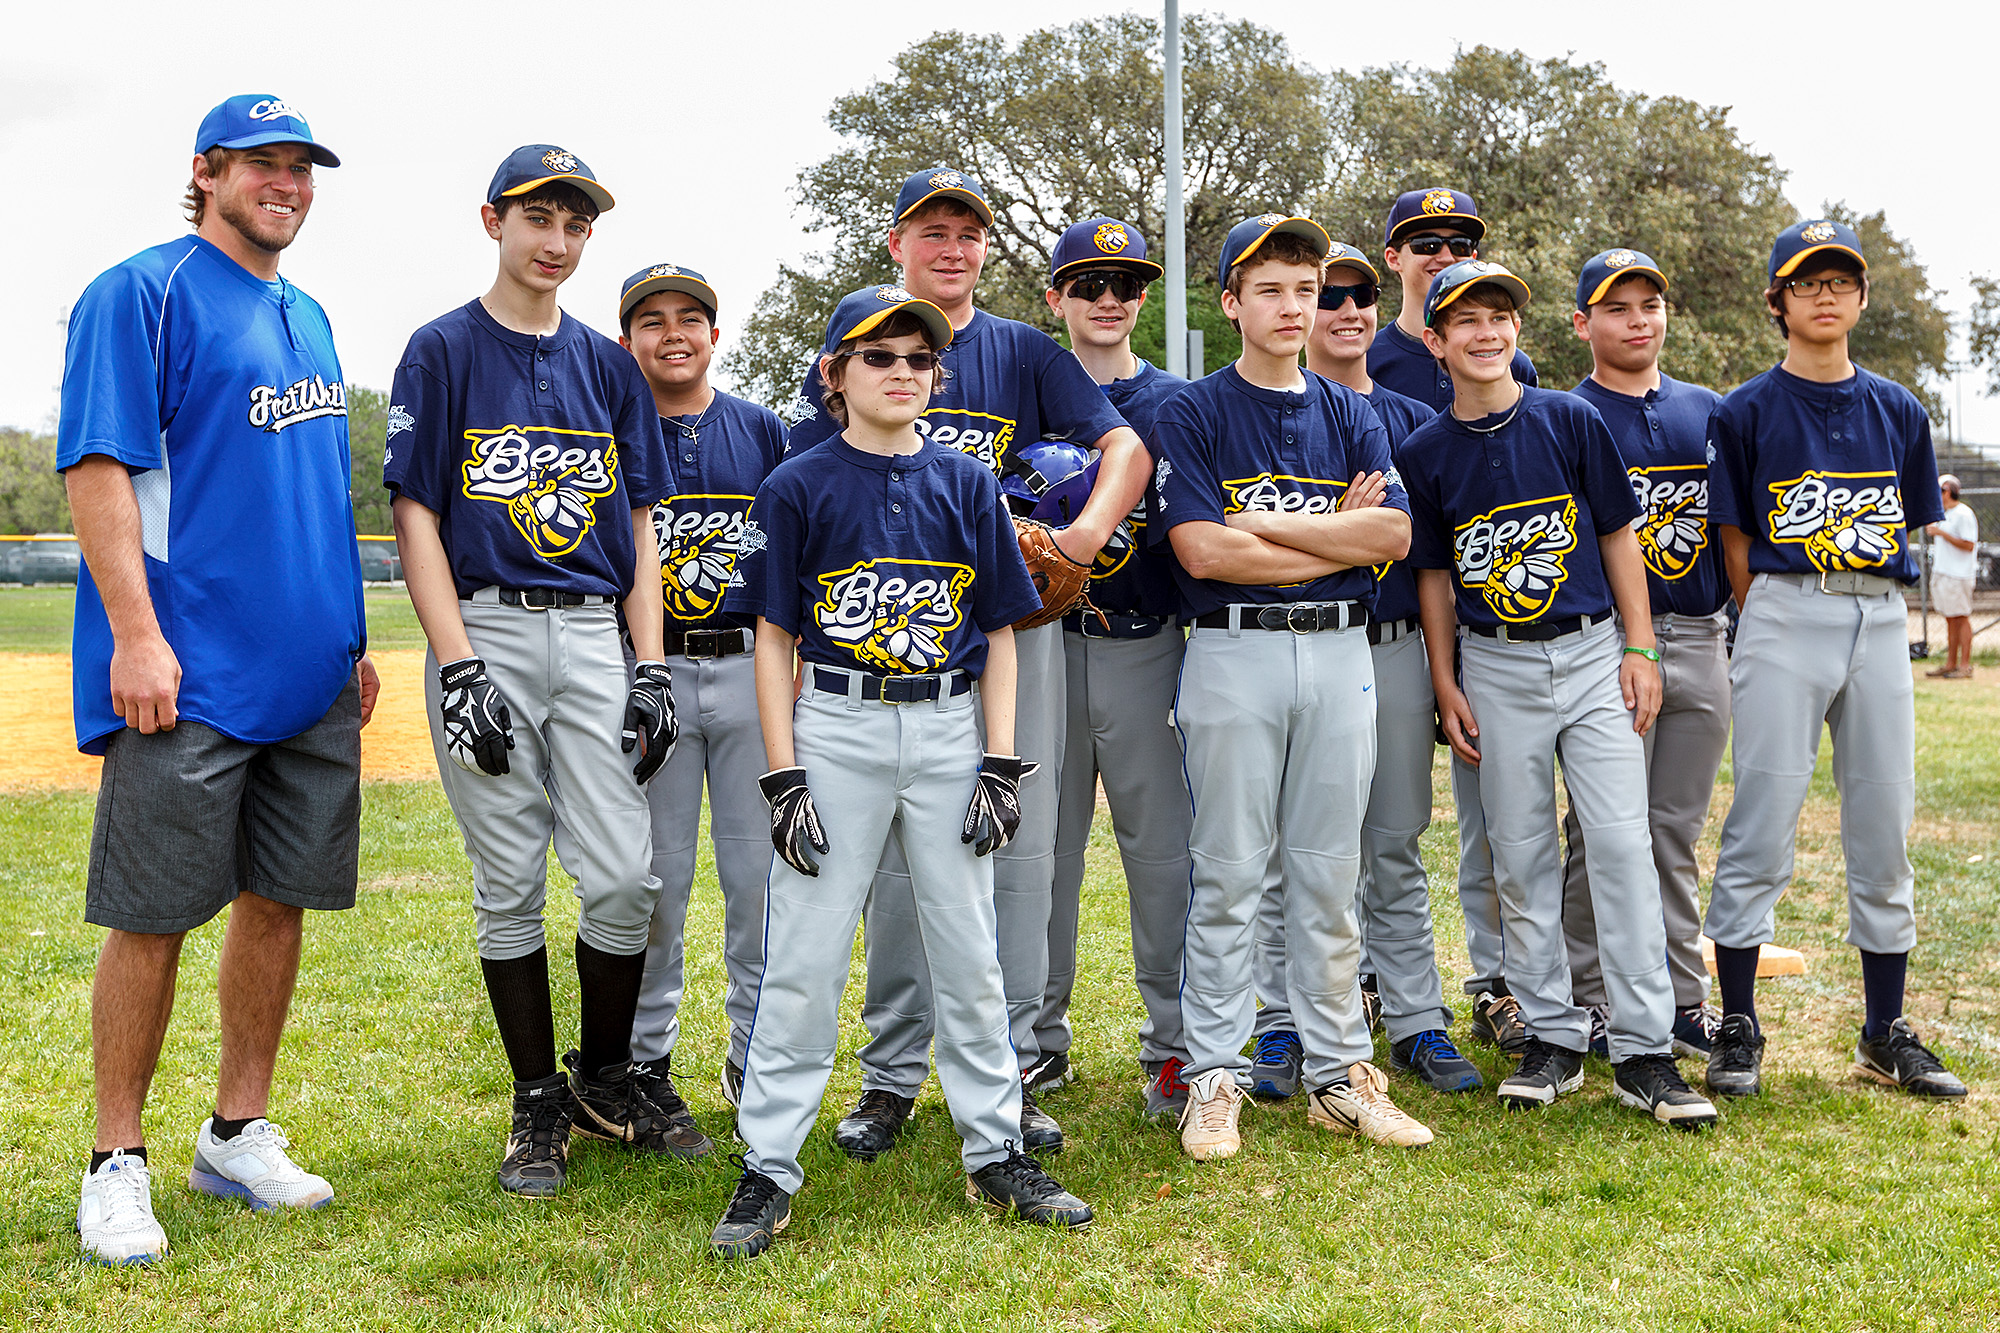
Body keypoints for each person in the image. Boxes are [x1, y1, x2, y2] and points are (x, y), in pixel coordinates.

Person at [710, 285, 1092, 1259]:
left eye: (918, 358)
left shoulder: (967, 483)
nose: (901, 373)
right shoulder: (796, 483)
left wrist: (998, 761)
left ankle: (995, 1147)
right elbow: (771, 639)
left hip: (944, 727)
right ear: (834, 373)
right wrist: (783, 773)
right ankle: (768, 1164)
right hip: (833, 723)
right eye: (878, 355)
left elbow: (1001, 633)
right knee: (802, 952)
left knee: (967, 949)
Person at [62, 93, 373, 1266]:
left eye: (301, 166)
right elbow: (99, 468)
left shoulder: (307, 311)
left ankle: (235, 1130)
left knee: (279, 901)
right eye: (263, 164)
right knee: (151, 915)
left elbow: (313, 492)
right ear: (208, 170)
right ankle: (115, 1159)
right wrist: (135, 635)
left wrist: (347, 640)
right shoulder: (138, 290)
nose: (286, 182)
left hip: (307, 670)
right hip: (187, 667)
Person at [786, 168, 1146, 1158]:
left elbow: (1123, 451)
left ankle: (1016, 1069)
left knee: (1015, 855)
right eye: (931, 230)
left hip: (1005, 641)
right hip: (889, 650)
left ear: (986, 249)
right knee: (904, 866)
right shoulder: (866, 344)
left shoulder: (1024, 354)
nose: (951, 246)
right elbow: (807, 477)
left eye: (967, 232)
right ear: (897, 243)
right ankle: (893, 1075)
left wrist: (1078, 539)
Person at [385, 144, 681, 1196]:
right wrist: (457, 665)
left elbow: (641, 520)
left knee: (621, 877)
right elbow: (414, 513)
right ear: (492, 222)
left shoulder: (607, 361)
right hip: (490, 626)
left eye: (576, 224)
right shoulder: (443, 349)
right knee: (508, 879)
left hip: (596, 629)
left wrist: (648, 666)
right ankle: (535, 1103)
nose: (556, 241)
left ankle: (604, 1079)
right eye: (537, 219)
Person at [1401, 258, 1717, 1128]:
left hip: (1590, 655)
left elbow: (1619, 536)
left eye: (1500, 315)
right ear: (1436, 340)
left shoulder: (1568, 418)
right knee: (1521, 852)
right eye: (1465, 319)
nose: (1487, 331)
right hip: (1494, 663)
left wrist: (1642, 644)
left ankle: (1645, 1050)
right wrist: (1442, 676)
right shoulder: (1426, 450)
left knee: (1620, 844)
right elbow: (1432, 577)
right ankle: (1552, 1035)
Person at [1153, 213, 1432, 1161]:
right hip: (1233, 651)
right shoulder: (1192, 410)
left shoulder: (1353, 409)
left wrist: (1262, 535)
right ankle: (1215, 1074)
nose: (1292, 305)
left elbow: (1392, 539)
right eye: (1269, 288)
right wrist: (1329, 537)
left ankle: (1339, 1074)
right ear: (1231, 302)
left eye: (1306, 290)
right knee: (1230, 869)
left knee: (1328, 868)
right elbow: (1198, 548)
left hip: (1342, 652)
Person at [1703, 219, 1967, 1100]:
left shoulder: (1898, 407)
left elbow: (1914, 520)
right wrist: (1771, 617)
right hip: (1786, 606)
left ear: (1859, 296)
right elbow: (1735, 541)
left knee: (1884, 822)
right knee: (1764, 815)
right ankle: (1737, 1022)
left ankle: (1884, 1029)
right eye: (1806, 280)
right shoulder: (1743, 409)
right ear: (1778, 300)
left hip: (1880, 614)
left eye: (1840, 279)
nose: (1825, 293)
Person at [1246, 240, 1480, 1100]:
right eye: (1328, 296)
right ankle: (1279, 1025)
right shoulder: (1263, 409)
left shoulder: (1409, 419)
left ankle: (1417, 1017)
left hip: (1389, 648)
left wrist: (1279, 530)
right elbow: (1226, 536)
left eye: (1359, 298)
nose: (1345, 312)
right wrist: (1330, 533)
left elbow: (1417, 557)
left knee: (1391, 842)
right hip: (1292, 644)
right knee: (1284, 848)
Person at [616, 262, 786, 1143]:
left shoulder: (762, 429)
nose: (673, 332)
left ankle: (755, 1053)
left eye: (691, 317)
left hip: (753, 668)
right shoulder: (608, 428)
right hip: (655, 674)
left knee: (758, 881)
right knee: (659, 881)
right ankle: (646, 1063)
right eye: (652, 320)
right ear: (626, 341)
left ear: (716, 336)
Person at [1369, 188, 1539, 1052]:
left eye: (1460, 240)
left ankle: (1498, 981)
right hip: (1391, 615)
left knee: (1492, 818)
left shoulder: (1508, 358)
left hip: (1492, 621)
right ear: (1393, 256)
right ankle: (1368, 977)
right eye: (1423, 241)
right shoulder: (1365, 351)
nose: (1441, 251)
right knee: (1366, 817)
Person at [1034, 218, 1195, 1121]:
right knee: (1041, 855)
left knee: (1164, 855)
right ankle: (1034, 1043)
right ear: (1055, 296)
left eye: (1126, 283)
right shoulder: (1028, 392)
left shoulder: (1181, 401)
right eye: (1088, 282)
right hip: (1047, 648)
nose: (1108, 298)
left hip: (1150, 641)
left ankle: (1173, 1049)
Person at [1558, 249, 1730, 1061]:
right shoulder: (1565, 413)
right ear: (1583, 322)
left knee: (1675, 827)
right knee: (1600, 826)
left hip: (1700, 632)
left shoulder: (1708, 411)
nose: (1637, 319)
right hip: (1613, 643)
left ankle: (1682, 996)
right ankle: (1588, 994)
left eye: (1649, 304)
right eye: (1617, 306)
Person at [1925, 475, 1979, 679]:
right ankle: (1950, 663)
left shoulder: (1963, 514)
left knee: (1961, 617)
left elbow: (1969, 545)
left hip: (1959, 575)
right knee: (1950, 618)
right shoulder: (1943, 514)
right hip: (1944, 573)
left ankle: (1964, 666)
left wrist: (1941, 533)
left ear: (1946, 491)